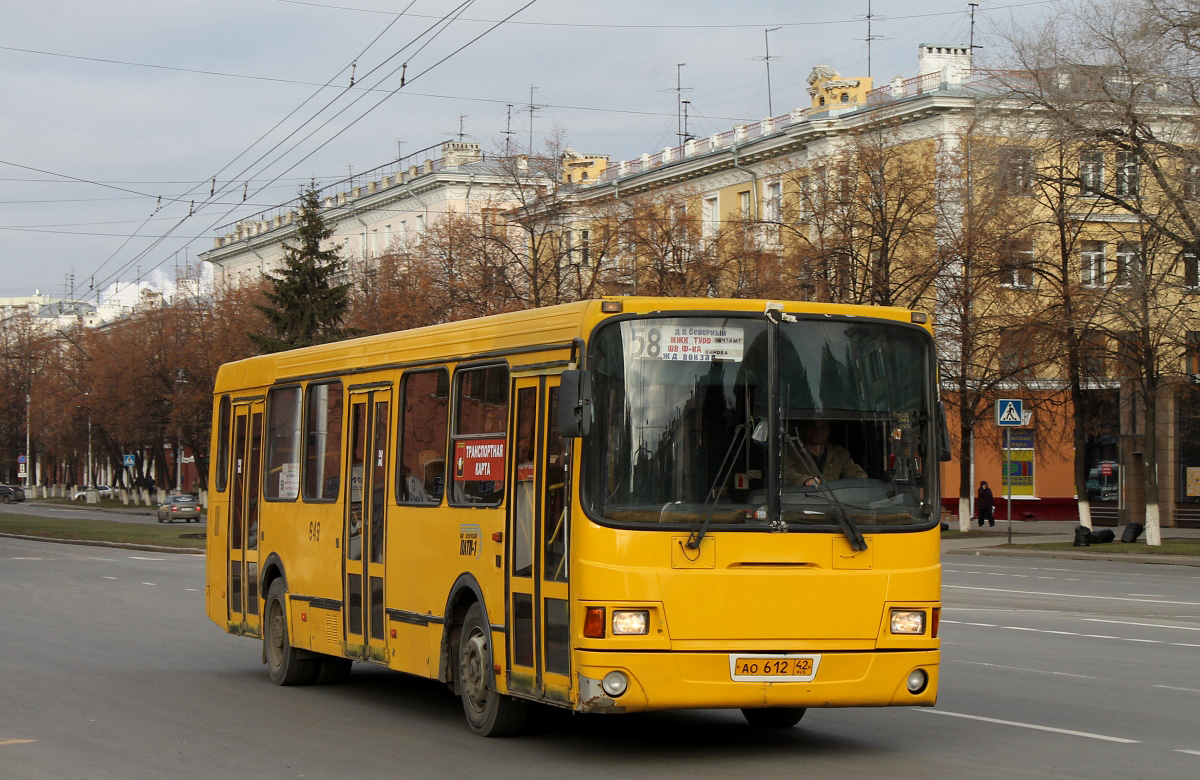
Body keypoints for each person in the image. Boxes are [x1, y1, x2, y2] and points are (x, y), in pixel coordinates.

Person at [785, 419, 867, 486]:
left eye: (822, 427)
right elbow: (785, 473)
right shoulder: (791, 451)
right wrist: (805, 480)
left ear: (828, 432)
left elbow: (854, 472)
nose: (818, 431)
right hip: (801, 501)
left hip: (833, 502)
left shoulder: (839, 454)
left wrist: (861, 479)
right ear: (804, 430)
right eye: (813, 426)